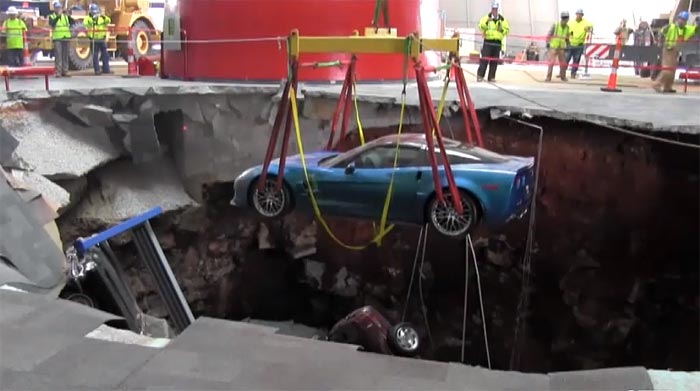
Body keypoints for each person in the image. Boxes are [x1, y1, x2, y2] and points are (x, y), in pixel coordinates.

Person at [653, 11, 697, 93]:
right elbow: (661, 33)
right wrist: (660, 42)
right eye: (681, 19)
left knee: (672, 70)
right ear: (678, 19)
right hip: (668, 49)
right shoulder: (671, 27)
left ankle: (667, 87)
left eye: (684, 20)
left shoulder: (686, 29)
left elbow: (695, 29)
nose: (682, 21)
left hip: (676, 51)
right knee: (667, 69)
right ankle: (657, 84)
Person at [476, 1, 510, 82]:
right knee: (484, 59)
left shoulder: (502, 20)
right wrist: (487, 21)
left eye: (496, 9)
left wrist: (501, 29)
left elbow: (507, 30)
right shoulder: (486, 18)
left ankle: (491, 77)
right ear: (491, 9)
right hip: (488, 41)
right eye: (493, 9)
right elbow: (481, 26)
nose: (495, 11)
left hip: (497, 42)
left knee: (494, 61)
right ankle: (480, 75)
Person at [48, 1, 74, 77]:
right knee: (58, 55)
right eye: (57, 8)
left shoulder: (65, 16)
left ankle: (65, 71)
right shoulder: (52, 16)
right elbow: (52, 23)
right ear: (54, 9)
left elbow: (72, 22)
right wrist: (58, 16)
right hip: (57, 38)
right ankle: (58, 71)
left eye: (59, 7)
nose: (58, 9)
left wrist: (68, 15)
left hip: (66, 37)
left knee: (65, 55)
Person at [85, 3, 111, 75]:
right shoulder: (88, 18)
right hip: (94, 39)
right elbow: (85, 25)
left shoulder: (101, 18)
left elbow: (108, 21)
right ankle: (97, 70)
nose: (95, 13)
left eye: (96, 12)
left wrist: (103, 16)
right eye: (93, 12)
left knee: (105, 54)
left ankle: (106, 69)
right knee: (95, 55)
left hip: (102, 39)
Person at [566, 9, 592, 79]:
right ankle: (562, 72)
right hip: (570, 44)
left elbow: (591, 26)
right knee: (566, 59)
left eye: (580, 14)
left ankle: (573, 74)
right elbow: (566, 29)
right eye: (578, 14)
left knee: (576, 60)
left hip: (579, 45)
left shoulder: (585, 22)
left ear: (582, 15)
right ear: (576, 14)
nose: (579, 16)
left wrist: (588, 28)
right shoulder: (571, 22)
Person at [546, 11, 571, 82]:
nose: (566, 21)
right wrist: (547, 42)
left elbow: (567, 37)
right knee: (551, 62)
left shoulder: (567, 27)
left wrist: (568, 44)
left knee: (563, 63)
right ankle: (548, 77)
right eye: (566, 19)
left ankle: (563, 77)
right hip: (553, 47)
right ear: (564, 19)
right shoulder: (556, 25)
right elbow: (549, 34)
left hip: (562, 48)